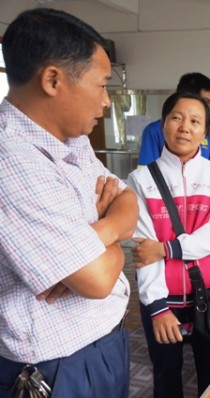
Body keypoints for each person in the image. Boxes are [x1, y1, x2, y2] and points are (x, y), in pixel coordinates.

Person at [0, 8, 138, 397]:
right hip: (55, 366)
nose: (107, 102)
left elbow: (129, 202)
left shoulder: (73, 141)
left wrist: (91, 237)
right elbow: (96, 280)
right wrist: (108, 233)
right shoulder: (10, 157)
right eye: (101, 85)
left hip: (104, 341)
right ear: (53, 79)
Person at [127, 91, 210, 397]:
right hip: (163, 296)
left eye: (195, 121)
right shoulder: (140, 180)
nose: (185, 127)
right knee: (165, 374)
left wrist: (167, 248)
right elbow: (143, 249)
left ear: (206, 132)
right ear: (163, 125)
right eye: (176, 117)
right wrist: (158, 308)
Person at [138, 72, 210, 166]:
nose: (208, 107)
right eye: (206, 101)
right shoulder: (153, 131)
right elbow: (146, 172)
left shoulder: (205, 132)